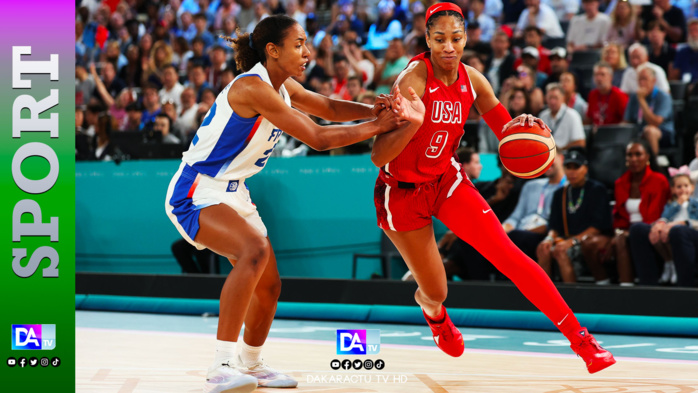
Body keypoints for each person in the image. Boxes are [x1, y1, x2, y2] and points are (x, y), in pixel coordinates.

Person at [370, 2, 615, 374]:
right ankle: (434, 313)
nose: (449, 47)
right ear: (428, 41)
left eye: (456, 38)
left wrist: (526, 129)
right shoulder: (413, 81)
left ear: (467, 37)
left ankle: (582, 341)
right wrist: (409, 123)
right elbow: (378, 155)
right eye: (440, 39)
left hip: (445, 181)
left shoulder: (474, 80)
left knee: (509, 254)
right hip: (401, 191)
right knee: (437, 292)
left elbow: (508, 133)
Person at [164, 15, 403, 393]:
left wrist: (371, 111)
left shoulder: (282, 85)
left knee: (270, 286)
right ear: (272, 51)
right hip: (197, 189)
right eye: (299, 45)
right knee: (253, 250)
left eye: (306, 44)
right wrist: (378, 127)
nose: (307, 52)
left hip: (232, 189)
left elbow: (326, 105)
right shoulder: (253, 88)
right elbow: (318, 138)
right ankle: (221, 365)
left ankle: (251, 363)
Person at [596, 140, 669, 285]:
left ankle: (644, 284)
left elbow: (655, 215)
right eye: (630, 155)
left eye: (638, 154)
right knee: (614, 239)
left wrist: (627, 233)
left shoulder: (659, 181)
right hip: (627, 231)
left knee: (633, 233)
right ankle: (621, 286)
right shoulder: (620, 183)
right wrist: (619, 232)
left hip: (652, 228)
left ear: (647, 157)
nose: (633, 159)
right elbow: (619, 216)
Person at [536, 148, 613, 283]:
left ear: (585, 169)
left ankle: (570, 297)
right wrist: (548, 239)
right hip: (567, 239)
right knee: (543, 248)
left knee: (561, 251)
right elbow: (554, 225)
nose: (572, 172)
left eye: (576, 167)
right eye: (568, 167)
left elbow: (598, 226)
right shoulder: (560, 193)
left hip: (587, 239)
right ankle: (544, 294)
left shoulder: (596, 189)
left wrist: (572, 241)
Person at [629, 168, 698, 286]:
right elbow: (665, 217)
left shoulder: (695, 204)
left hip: (687, 232)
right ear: (672, 189)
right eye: (679, 187)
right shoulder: (672, 204)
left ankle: (682, 277)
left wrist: (680, 224)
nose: (683, 189)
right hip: (669, 230)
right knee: (640, 229)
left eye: (686, 186)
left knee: (677, 231)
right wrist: (658, 226)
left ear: (692, 187)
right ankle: (667, 263)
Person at [504, 149, 567, 261]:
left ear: (561, 158)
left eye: (550, 157)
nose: (546, 162)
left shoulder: (568, 188)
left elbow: (557, 223)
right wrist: (501, 230)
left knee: (517, 238)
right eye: (543, 158)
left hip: (546, 234)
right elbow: (515, 217)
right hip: (520, 231)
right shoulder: (530, 185)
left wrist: (523, 232)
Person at [623, 66, 675, 155]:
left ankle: (654, 163)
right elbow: (626, 120)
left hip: (662, 132)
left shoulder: (663, 97)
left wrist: (642, 101)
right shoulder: (634, 97)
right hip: (638, 130)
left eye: (645, 79)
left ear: (654, 81)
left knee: (649, 131)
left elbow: (655, 122)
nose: (642, 83)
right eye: (639, 79)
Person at [538, 83, 586, 150]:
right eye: (550, 98)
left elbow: (580, 142)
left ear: (563, 98)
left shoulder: (573, 115)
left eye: (555, 98)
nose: (552, 102)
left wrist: (560, 150)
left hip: (565, 154)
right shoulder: (543, 116)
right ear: (546, 98)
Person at [585, 62, 629, 127]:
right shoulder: (592, 94)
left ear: (611, 77)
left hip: (613, 133)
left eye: (602, 74)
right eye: (596, 75)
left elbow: (626, 120)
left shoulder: (619, 95)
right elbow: (589, 119)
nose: (599, 78)